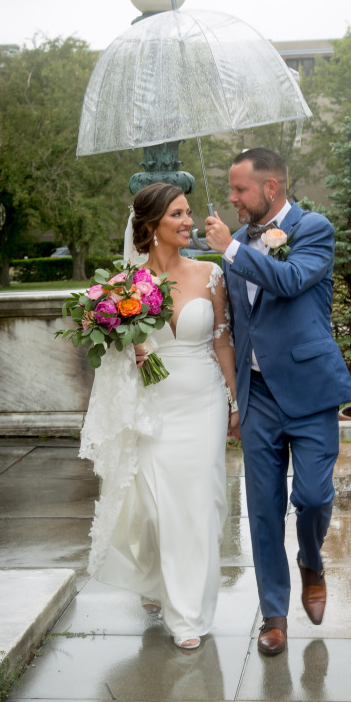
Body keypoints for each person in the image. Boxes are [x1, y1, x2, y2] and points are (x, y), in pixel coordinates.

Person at [205, 148, 351, 656]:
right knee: (263, 511)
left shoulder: (314, 229)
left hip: (310, 389)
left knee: (313, 497)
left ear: (270, 188)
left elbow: (290, 281)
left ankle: (311, 561)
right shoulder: (237, 245)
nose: (232, 198)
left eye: (240, 189)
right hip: (257, 396)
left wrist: (231, 251)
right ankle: (274, 614)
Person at [80, 182, 238, 650]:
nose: (189, 221)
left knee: (197, 503)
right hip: (154, 401)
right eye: (178, 214)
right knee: (151, 507)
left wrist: (233, 401)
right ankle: (155, 575)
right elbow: (115, 353)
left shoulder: (210, 275)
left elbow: (222, 341)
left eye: (188, 212)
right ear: (150, 227)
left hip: (205, 399)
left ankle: (187, 613)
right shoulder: (124, 288)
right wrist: (122, 340)